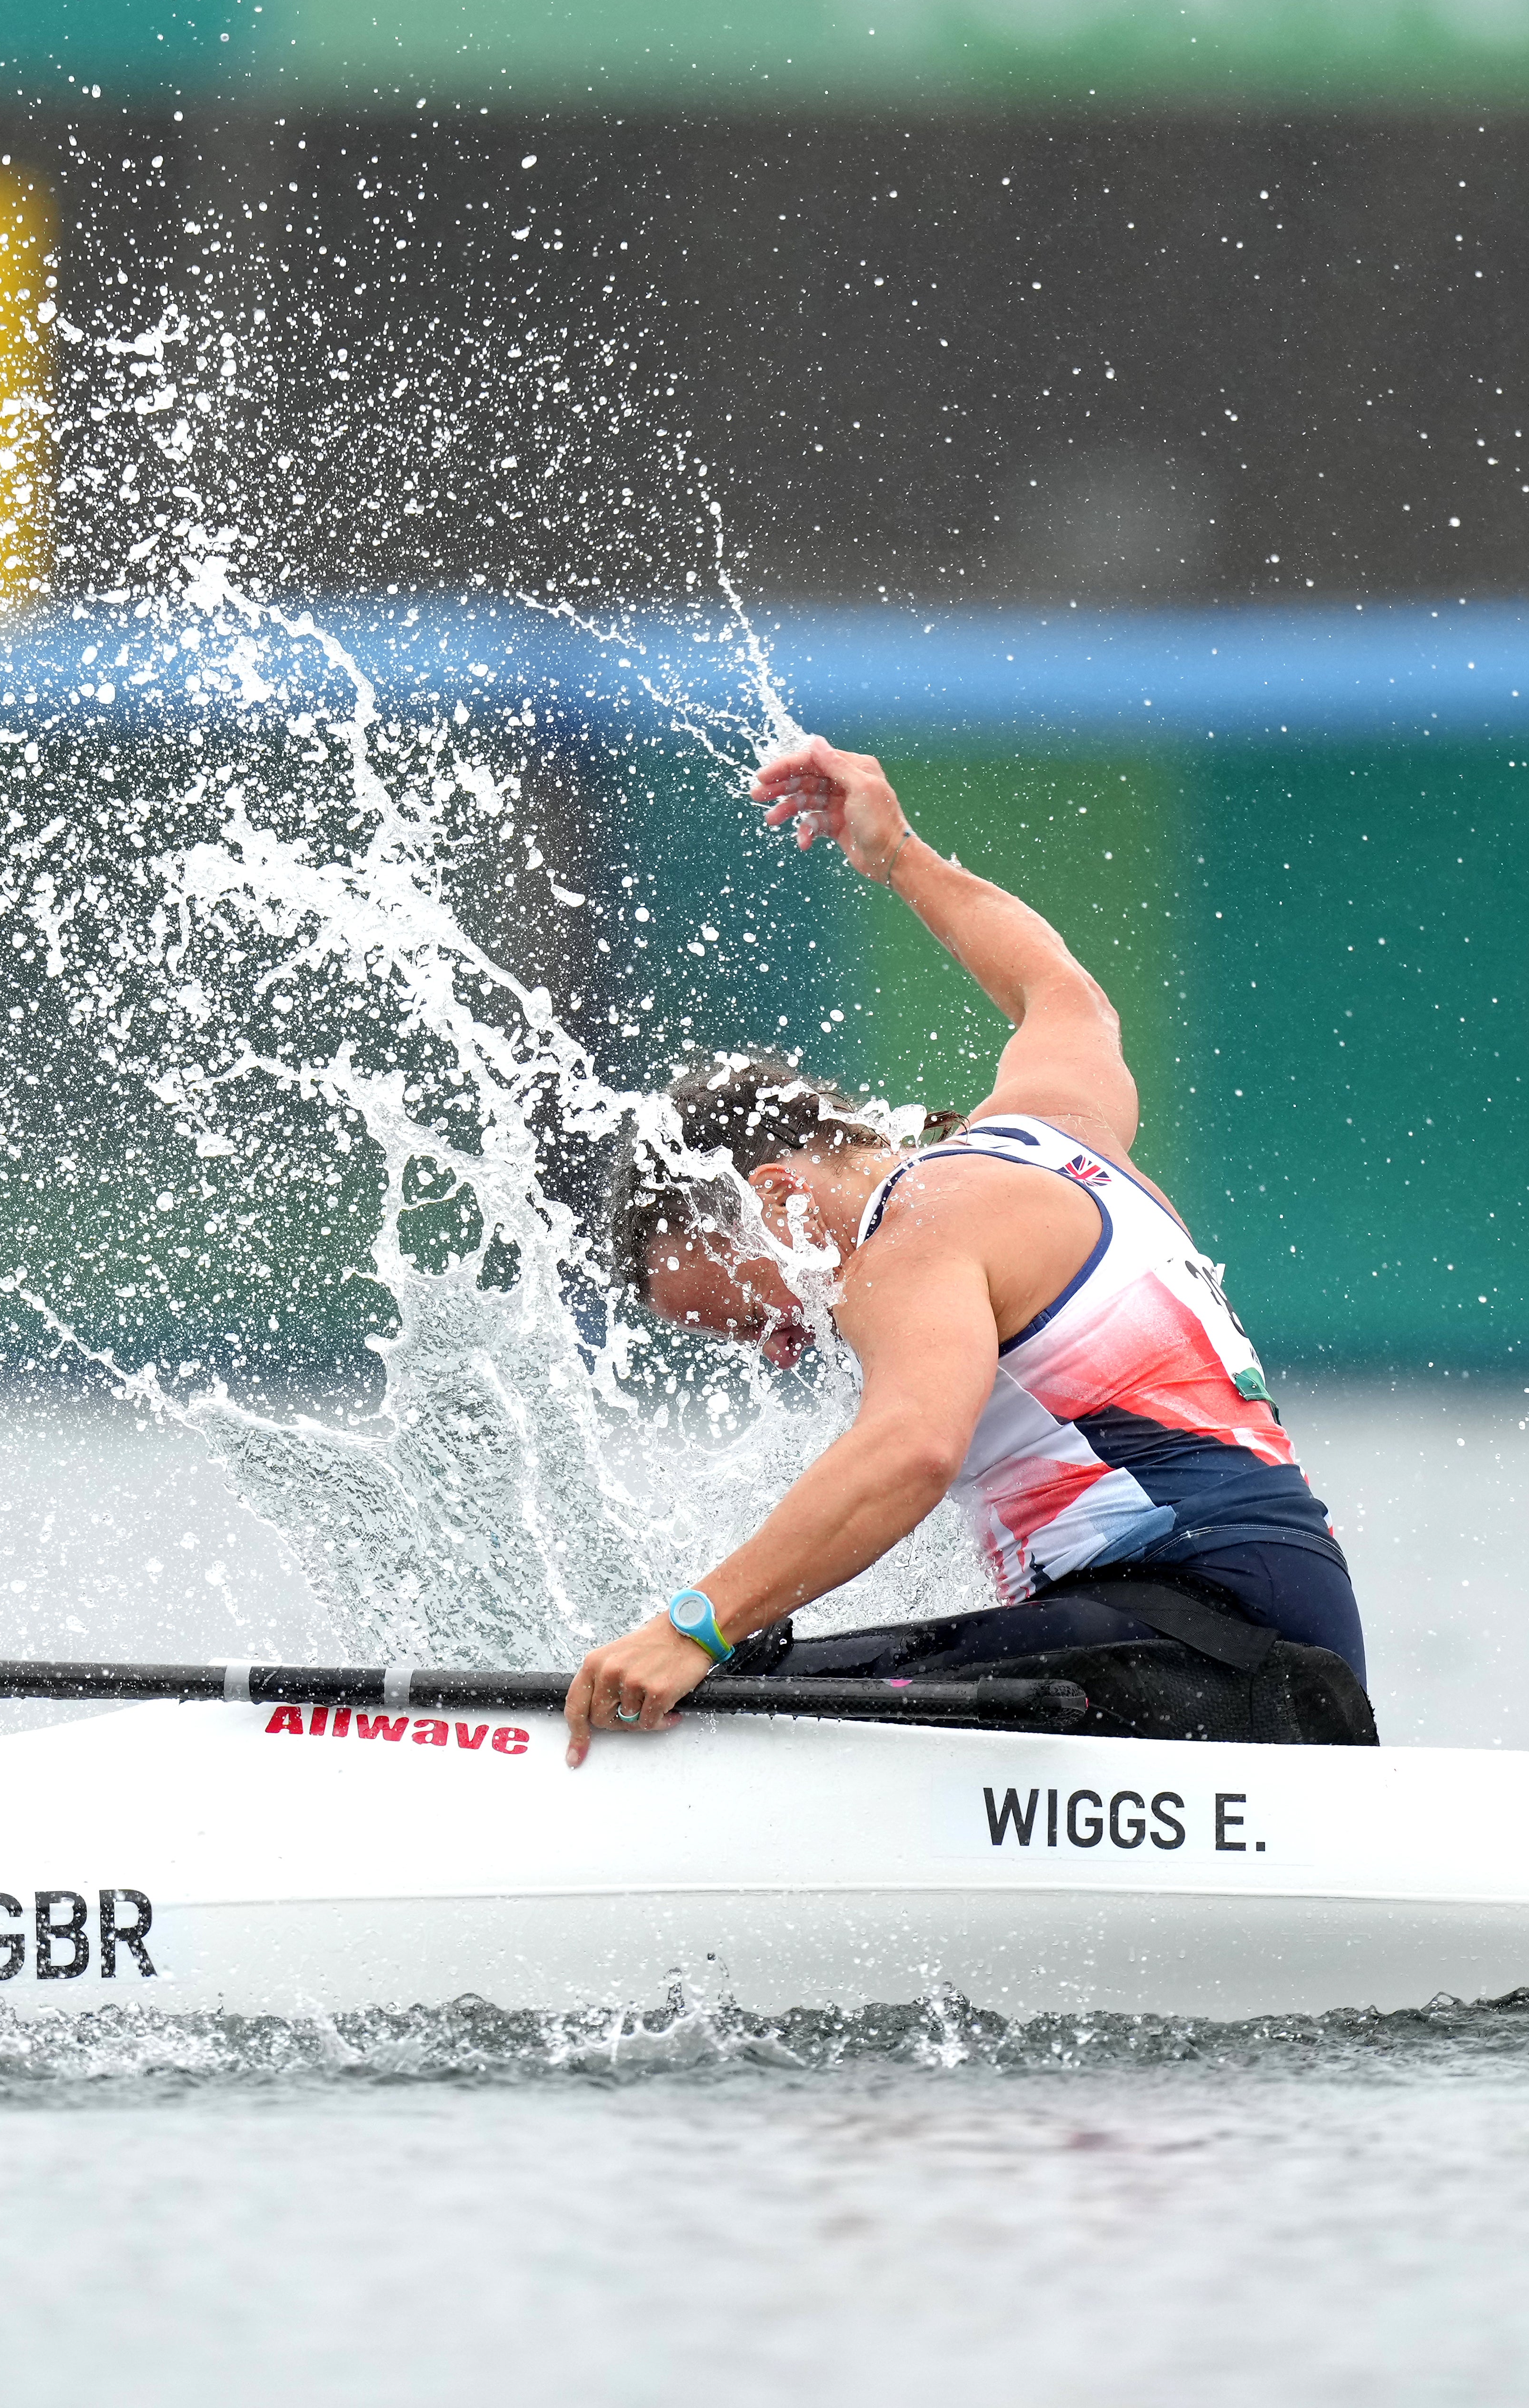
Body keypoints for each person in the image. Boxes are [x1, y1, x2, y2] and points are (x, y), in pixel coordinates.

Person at [564, 736, 1370, 1765]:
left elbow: (911, 1450)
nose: (782, 1346)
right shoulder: (1052, 1127)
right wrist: (898, 852)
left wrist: (690, 1628)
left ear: (775, 1198)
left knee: (721, 1698)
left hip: (1200, 1647)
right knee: (770, 1672)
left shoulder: (913, 1233)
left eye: (761, 1310)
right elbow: (1061, 994)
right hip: (1281, 1635)